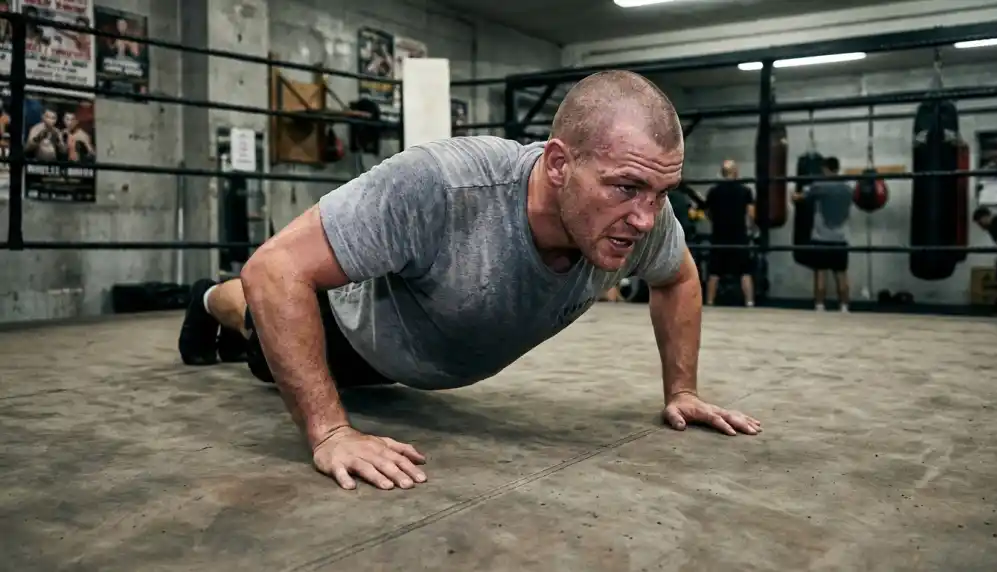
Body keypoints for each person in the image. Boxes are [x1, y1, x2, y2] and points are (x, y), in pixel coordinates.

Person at [177, 70, 762, 492]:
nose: (645, 216)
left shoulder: (640, 219)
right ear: (559, 164)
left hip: (411, 365)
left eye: (662, 193)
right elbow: (274, 269)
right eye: (626, 187)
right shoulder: (446, 186)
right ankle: (206, 299)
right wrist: (329, 431)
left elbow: (680, 277)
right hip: (346, 330)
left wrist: (681, 390)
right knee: (254, 313)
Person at [792, 156, 853, 312]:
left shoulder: (819, 186)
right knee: (841, 275)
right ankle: (844, 307)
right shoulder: (847, 188)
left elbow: (798, 198)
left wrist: (793, 194)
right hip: (841, 239)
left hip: (821, 238)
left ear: (825, 169)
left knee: (820, 273)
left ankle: (819, 306)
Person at [702, 160, 755, 306]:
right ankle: (750, 302)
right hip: (739, 234)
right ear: (736, 172)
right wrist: (752, 229)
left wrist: (716, 221)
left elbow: (707, 212)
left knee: (714, 272)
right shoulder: (745, 190)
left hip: (719, 234)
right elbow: (751, 213)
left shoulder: (713, 191)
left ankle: (710, 302)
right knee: (745, 271)